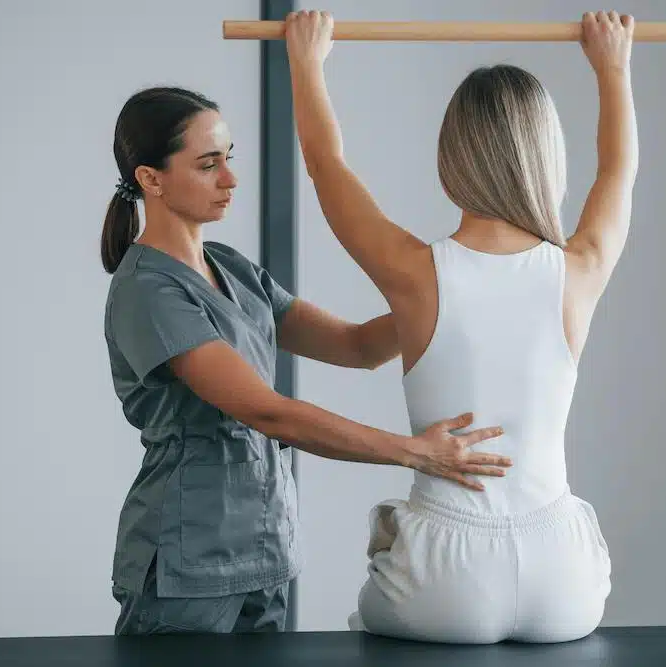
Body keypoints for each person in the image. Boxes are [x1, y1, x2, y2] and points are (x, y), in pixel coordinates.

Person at [100, 86, 514, 635]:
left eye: (229, 158)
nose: (230, 178)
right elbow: (267, 413)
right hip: (187, 561)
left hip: (265, 547)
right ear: (151, 178)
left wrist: (447, 288)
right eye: (207, 164)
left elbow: (358, 347)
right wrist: (415, 453)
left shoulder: (232, 268)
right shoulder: (150, 291)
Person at [284, 9, 637, 643]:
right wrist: (613, 69)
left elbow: (326, 165)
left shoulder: (415, 273)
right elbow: (618, 170)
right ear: (545, 156)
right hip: (564, 581)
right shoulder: (579, 269)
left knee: (372, 602)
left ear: (451, 158)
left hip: (443, 582)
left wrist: (306, 62)